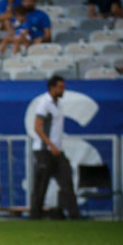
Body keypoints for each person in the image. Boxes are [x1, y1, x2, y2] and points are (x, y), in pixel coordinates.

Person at [30, 76, 82, 220]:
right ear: (52, 88)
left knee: (66, 179)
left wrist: (56, 147)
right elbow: (38, 127)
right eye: (60, 87)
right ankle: (35, 214)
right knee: (41, 184)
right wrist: (50, 145)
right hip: (44, 150)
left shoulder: (57, 104)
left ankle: (74, 213)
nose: (62, 90)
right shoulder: (44, 103)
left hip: (57, 150)